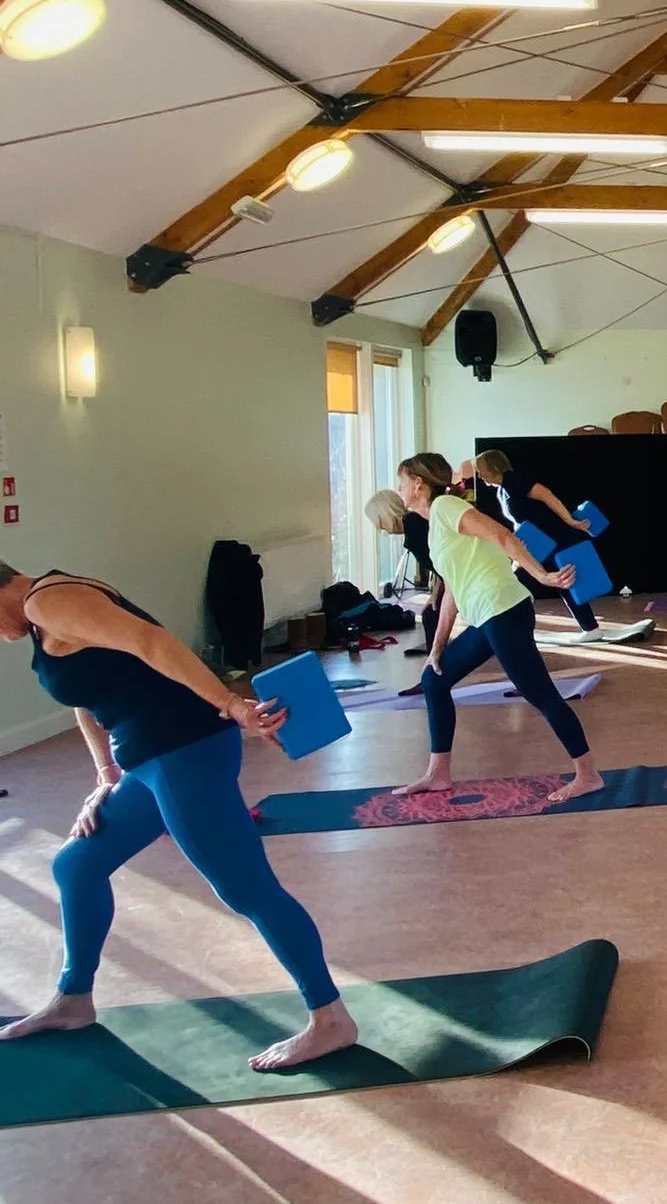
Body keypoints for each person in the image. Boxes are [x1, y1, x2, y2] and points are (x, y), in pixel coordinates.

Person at [0, 562, 357, 1071]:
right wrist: (106, 775)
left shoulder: (47, 601)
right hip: (147, 764)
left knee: (248, 890)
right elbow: (85, 694)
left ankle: (331, 1020)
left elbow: (152, 642)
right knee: (76, 866)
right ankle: (73, 1000)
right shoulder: (42, 617)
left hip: (185, 752)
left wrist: (231, 704)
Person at [395, 453, 604, 805]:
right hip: (488, 616)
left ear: (418, 484)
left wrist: (543, 576)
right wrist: (437, 649)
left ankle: (588, 775)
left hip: (503, 609)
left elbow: (502, 535)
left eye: (401, 481)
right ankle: (438, 774)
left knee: (540, 694)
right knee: (435, 678)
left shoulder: (446, 506)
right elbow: (451, 589)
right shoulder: (435, 528)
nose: (398, 488)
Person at [471, 450, 648, 644]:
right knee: (554, 583)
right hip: (541, 545)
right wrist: (517, 544)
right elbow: (520, 519)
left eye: (480, 471)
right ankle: (588, 628)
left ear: (494, 467)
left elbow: (546, 495)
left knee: (558, 582)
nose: (479, 476)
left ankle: (587, 628)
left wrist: (570, 520)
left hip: (555, 539)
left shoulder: (513, 480)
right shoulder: (501, 490)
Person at [366, 488, 441, 660]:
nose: (379, 527)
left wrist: (439, 594)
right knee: (430, 612)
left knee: (431, 615)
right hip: (449, 575)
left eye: (377, 520)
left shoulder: (414, 526)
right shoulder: (412, 526)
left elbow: (442, 562)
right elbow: (439, 567)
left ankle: (436, 660)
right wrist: (435, 594)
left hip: (459, 574)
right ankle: (435, 657)